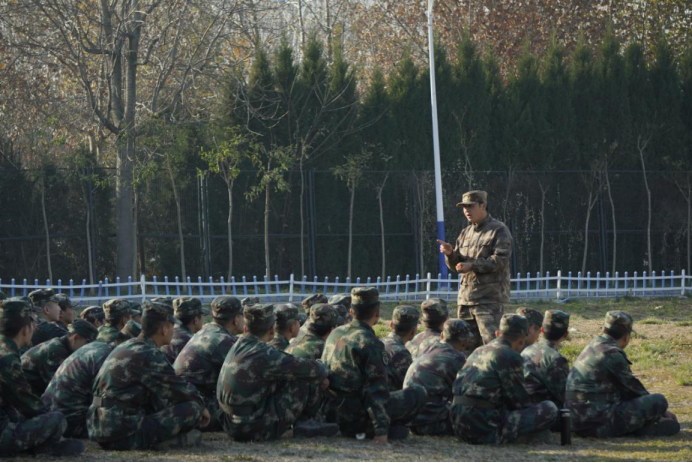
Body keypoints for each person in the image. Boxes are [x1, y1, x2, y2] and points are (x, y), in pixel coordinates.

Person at [88, 303, 210, 450]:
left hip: (101, 424)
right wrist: (201, 406)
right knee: (192, 408)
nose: (174, 331)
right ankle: (161, 442)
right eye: (172, 326)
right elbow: (180, 388)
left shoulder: (129, 345)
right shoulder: (148, 353)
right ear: (164, 329)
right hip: (121, 432)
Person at [217, 304, 338, 442]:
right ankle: (307, 422)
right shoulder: (264, 353)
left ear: (245, 328)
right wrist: (323, 370)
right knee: (302, 377)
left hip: (230, 423)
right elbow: (312, 369)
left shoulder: (238, 345)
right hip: (251, 428)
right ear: (272, 330)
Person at [322, 288, 426, 444]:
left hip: (329, 412)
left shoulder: (335, 333)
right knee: (417, 393)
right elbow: (376, 389)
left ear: (351, 311)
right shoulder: (370, 342)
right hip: (354, 418)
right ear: (377, 314)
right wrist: (381, 431)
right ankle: (377, 429)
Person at [566, 311, 680, 438]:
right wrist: (661, 412)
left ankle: (641, 426)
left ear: (603, 329)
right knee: (659, 400)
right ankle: (645, 427)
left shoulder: (594, 345)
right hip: (596, 424)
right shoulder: (612, 353)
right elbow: (634, 390)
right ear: (626, 336)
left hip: (577, 420)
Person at [451, 314, 558, 445]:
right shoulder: (510, 355)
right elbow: (518, 402)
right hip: (483, 426)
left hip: (458, 422)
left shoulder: (478, 350)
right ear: (521, 341)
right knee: (549, 408)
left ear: (497, 333)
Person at [0, 299, 85, 457]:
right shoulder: (7, 357)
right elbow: (26, 401)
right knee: (57, 419)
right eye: (33, 324)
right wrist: (49, 416)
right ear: (26, 329)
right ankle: (43, 448)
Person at [437, 190, 513, 352]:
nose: (466, 210)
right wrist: (450, 254)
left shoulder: (498, 230)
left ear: (483, 205)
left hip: (488, 301)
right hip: (466, 301)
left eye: (470, 206)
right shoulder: (465, 233)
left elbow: (500, 260)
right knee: (464, 350)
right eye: (464, 207)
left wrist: (472, 266)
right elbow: (456, 265)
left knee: (492, 348)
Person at [41, 321, 141, 438]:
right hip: (68, 422)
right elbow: (104, 400)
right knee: (131, 423)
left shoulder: (97, 347)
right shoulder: (107, 358)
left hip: (51, 412)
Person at [174, 296, 245, 432]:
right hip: (198, 406)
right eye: (243, 316)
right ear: (236, 319)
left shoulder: (205, 332)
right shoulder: (222, 341)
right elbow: (248, 375)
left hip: (185, 402)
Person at [404, 319, 471, 436]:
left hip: (409, 418)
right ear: (464, 342)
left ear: (442, 335)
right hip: (430, 424)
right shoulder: (456, 358)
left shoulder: (428, 348)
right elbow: (466, 392)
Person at [21, 319, 99, 395]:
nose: (89, 348)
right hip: (24, 392)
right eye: (88, 343)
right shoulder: (56, 351)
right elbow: (60, 386)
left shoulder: (62, 346)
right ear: (75, 338)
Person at [522, 310, 571, 408]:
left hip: (522, 407)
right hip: (542, 411)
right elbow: (566, 397)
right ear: (565, 335)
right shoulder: (556, 359)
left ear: (542, 330)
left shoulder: (526, 350)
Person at [382, 305, 420, 391]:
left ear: (391, 325)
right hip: (387, 397)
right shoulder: (401, 353)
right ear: (413, 331)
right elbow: (408, 385)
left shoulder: (378, 342)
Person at [162, 298, 208, 364]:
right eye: (202, 316)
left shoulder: (167, 333)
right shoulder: (191, 341)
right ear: (196, 320)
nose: (203, 320)